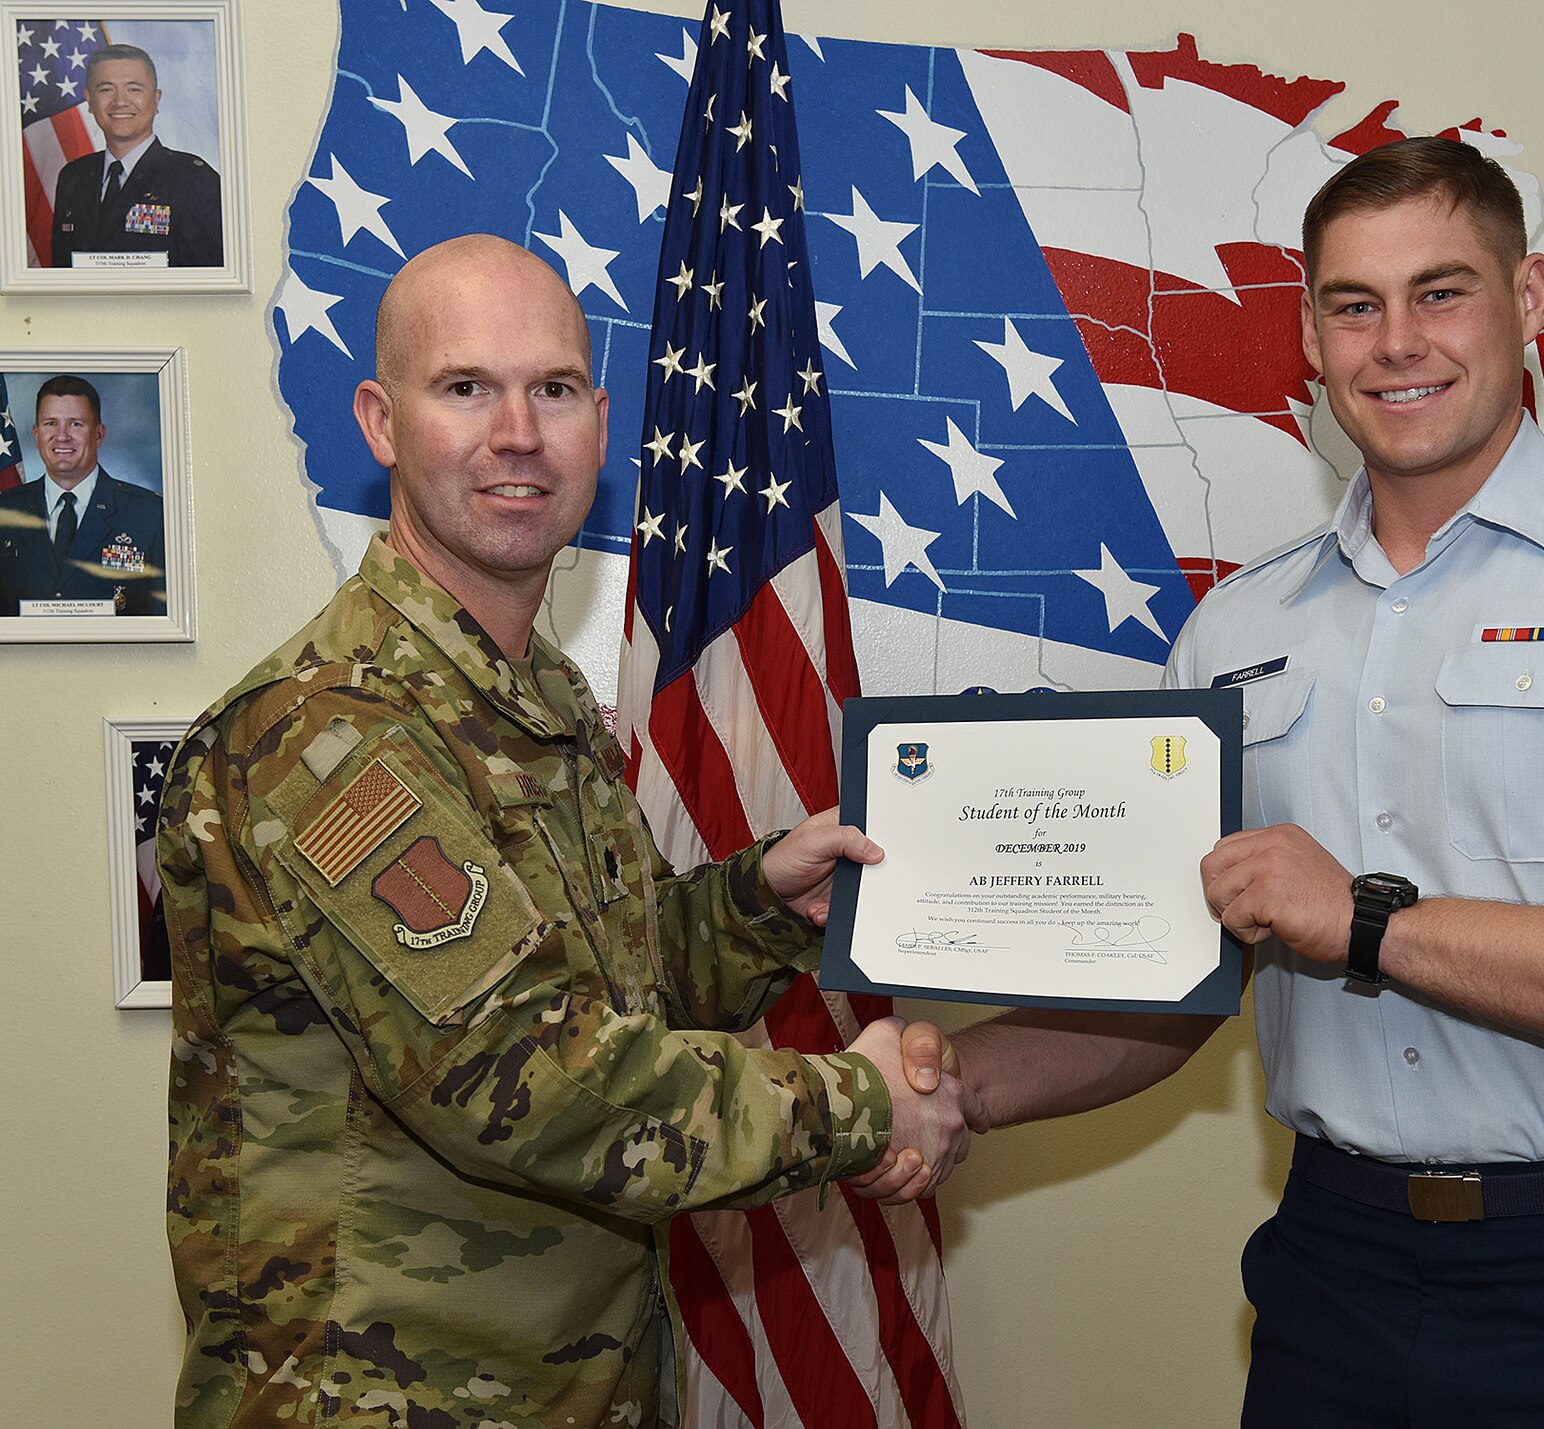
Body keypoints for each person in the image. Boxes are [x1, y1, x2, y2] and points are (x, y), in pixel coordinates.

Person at [899, 137, 1544, 1427]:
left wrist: (1363, 917)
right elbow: (1178, 979)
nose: (1396, 339)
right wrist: (939, 1090)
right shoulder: (1236, 631)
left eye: (1440, 291)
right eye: (1354, 304)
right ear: (1309, 335)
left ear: (1529, 300)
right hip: (1329, 1281)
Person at [158, 235, 970, 1427]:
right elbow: (529, 1080)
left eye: (550, 390)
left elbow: (607, 989)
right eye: (465, 388)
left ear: (599, 420)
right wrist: (856, 1107)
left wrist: (758, 904)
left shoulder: (528, 700)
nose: (517, 433)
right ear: (383, 421)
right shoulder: (325, 735)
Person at [0, 374, 165, 615]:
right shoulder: (6, 510)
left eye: (76, 424)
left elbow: (164, 617)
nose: (62, 436)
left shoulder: (148, 514)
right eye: (50, 423)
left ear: (99, 434)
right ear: (36, 434)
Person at [50, 42, 223, 268]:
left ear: (156, 99)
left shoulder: (194, 180)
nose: (120, 101)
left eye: (134, 89)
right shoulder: (73, 177)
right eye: (106, 89)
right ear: (89, 100)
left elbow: (212, 285)